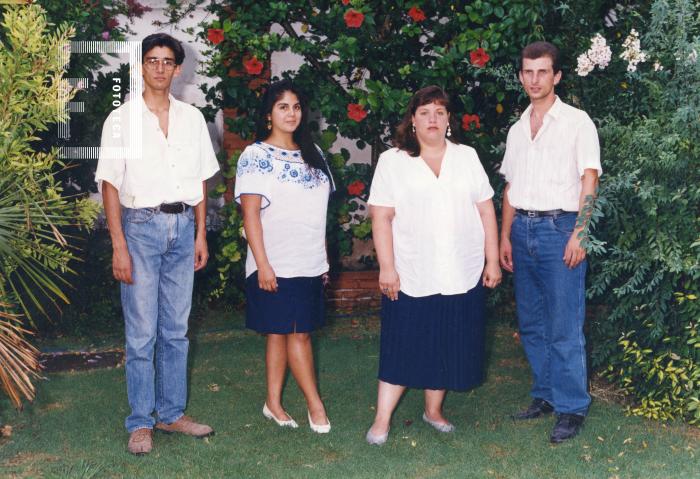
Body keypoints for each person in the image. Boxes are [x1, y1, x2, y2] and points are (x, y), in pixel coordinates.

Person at [95, 33, 220, 455]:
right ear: (141, 67)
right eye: (152, 61)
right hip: (140, 229)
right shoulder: (121, 120)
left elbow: (201, 180)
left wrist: (201, 232)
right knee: (141, 332)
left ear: (178, 69)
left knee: (175, 330)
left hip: (183, 227)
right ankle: (140, 422)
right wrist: (118, 245)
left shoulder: (192, 118)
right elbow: (110, 185)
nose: (160, 68)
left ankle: (171, 414)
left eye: (168, 61)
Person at [365, 85, 501, 445]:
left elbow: (486, 210)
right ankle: (381, 420)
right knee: (402, 344)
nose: (432, 119)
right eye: (425, 112)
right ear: (412, 120)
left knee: (446, 343)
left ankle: (433, 411)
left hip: (460, 271)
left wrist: (491, 260)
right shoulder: (393, 162)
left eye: (440, 112)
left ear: (449, 121)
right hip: (410, 271)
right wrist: (386, 267)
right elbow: (381, 218)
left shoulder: (467, 157)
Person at [499, 41, 602, 444]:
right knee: (532, 322)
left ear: (557, 76)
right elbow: (509, 187)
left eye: (543, 71)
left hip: (561, 229)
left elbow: (589, 177)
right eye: (528, 71)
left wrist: (581, 231)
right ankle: (545, 393)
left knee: (564, 324)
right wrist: (506, 236)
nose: (535, 79)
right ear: (521, 75)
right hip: (522, 230)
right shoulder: (517, 129)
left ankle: (572, 406)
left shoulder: (578, 123)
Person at [234, 80, 333, 434]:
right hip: (273, 262)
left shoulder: (315, 155)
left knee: (282, 333)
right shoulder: (255, 156)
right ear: (268, 115)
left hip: (308, 260)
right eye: (282, 107)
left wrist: (323, 259)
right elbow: (250, 215)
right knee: (297, 334)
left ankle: (272, 403)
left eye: (295, 106)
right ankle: (314, 405)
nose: (291, 113)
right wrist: (262, 264)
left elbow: (319, 212)